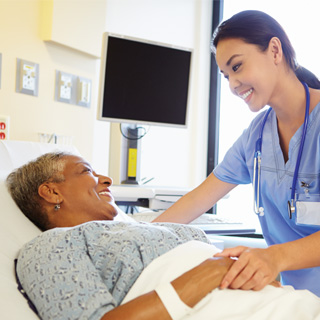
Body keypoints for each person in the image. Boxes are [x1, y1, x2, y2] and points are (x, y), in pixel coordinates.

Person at [8, 152, 320, 320]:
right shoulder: (49, 248)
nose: (106, 178)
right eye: (86, 171)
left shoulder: (162, 229)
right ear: (50, 191)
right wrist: (209, 273)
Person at [153, 10, 320, 297]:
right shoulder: (256, 137)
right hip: (301, 300)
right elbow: (198, 199)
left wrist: (274, 258)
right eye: (226, 75)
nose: (232, 84)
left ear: (275, 50)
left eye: (238, 67)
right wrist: (142, 236)